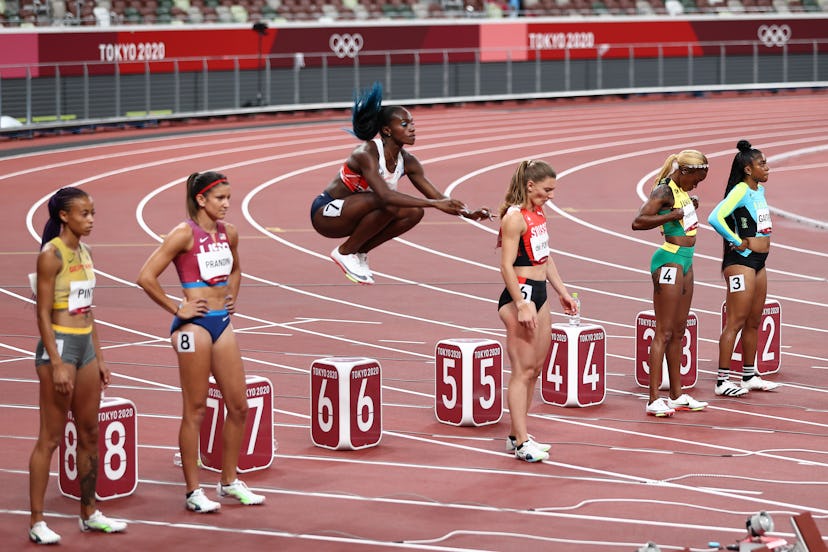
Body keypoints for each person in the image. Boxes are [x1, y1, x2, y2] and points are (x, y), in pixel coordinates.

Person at [136, 171, 265, 513]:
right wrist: (178, 306)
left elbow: (236, 270)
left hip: (222, 323)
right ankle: (194, 492)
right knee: (194, 409)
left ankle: (228, 481)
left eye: (229, 199)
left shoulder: (230, 233)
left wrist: (232, 296)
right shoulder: (183, 234)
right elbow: (145, 277)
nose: (226, 205)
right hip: (192, 328)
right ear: (201, 200)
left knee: (239, 406)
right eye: (220, 198)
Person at [311, 82, 491, 285]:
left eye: (412, 123)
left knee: (414, 212)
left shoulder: (409, 162)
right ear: (387, 130)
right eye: (405, 124)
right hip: (326, 215)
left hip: (358, 214)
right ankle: (344, 252)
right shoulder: (366, 152)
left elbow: (439, 198)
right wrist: (434, 204)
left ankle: (360, 250)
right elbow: (386, 196)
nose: (412, 129)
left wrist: (469, 213)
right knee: (388, 200)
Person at [28, 187, 127, 544]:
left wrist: (100, 357)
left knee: (89, 433)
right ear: (64, 216)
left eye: (93, 213)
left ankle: (89, 511)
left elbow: (89, 309)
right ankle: (37, 520)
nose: (91, 220)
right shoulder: (50, 255)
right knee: (50, 438)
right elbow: (41, 312)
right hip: (60, 345)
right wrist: (56, 362)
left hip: (85, 346)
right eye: (84, 214)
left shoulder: (85, 252)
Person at [497, 160, 578, 462]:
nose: (552, 196)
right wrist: (520, 303)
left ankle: (519, 434)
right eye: (547, 190)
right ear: (530, 186)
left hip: (540, 293)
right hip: (522, 295)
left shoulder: (538, 212)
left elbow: (545, 258)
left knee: (536, 370)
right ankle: (520, 442)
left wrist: (563, 292)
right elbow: (506, 265)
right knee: (522, 370)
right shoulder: (514, 218)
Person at [632, 151, 710, 417]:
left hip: (686, 262)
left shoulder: (682, 190)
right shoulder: (664, 191)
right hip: (669, 260)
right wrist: (673, 214)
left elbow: (683, 214)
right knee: (663, 331)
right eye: (696, 180)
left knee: (679, 331)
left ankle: (676, 395)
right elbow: (638, 222)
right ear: (685, 172)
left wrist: (689, 205)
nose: (697, 185)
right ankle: (654, 398)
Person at [708, 140, 781, 396]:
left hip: (760, 264)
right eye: (762, 164)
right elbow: (715, 217)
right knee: (735, 322)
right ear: (748, 169)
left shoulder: (758, 190)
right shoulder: (740, 190)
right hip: (741, 263)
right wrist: (735, 240)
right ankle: (722, 382)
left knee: (754, 321)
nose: (767, 168)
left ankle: (749, 375)